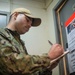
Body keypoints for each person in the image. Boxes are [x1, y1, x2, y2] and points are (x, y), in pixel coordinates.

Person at [0, 8, 64, 75]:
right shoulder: (1, 34)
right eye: (27, 20)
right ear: (15, 15)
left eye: (31, 24)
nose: (30, 26)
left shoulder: (21, 43)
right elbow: (10, 65)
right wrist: (48, 57)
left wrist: (48, 68)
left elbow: (25, 72)